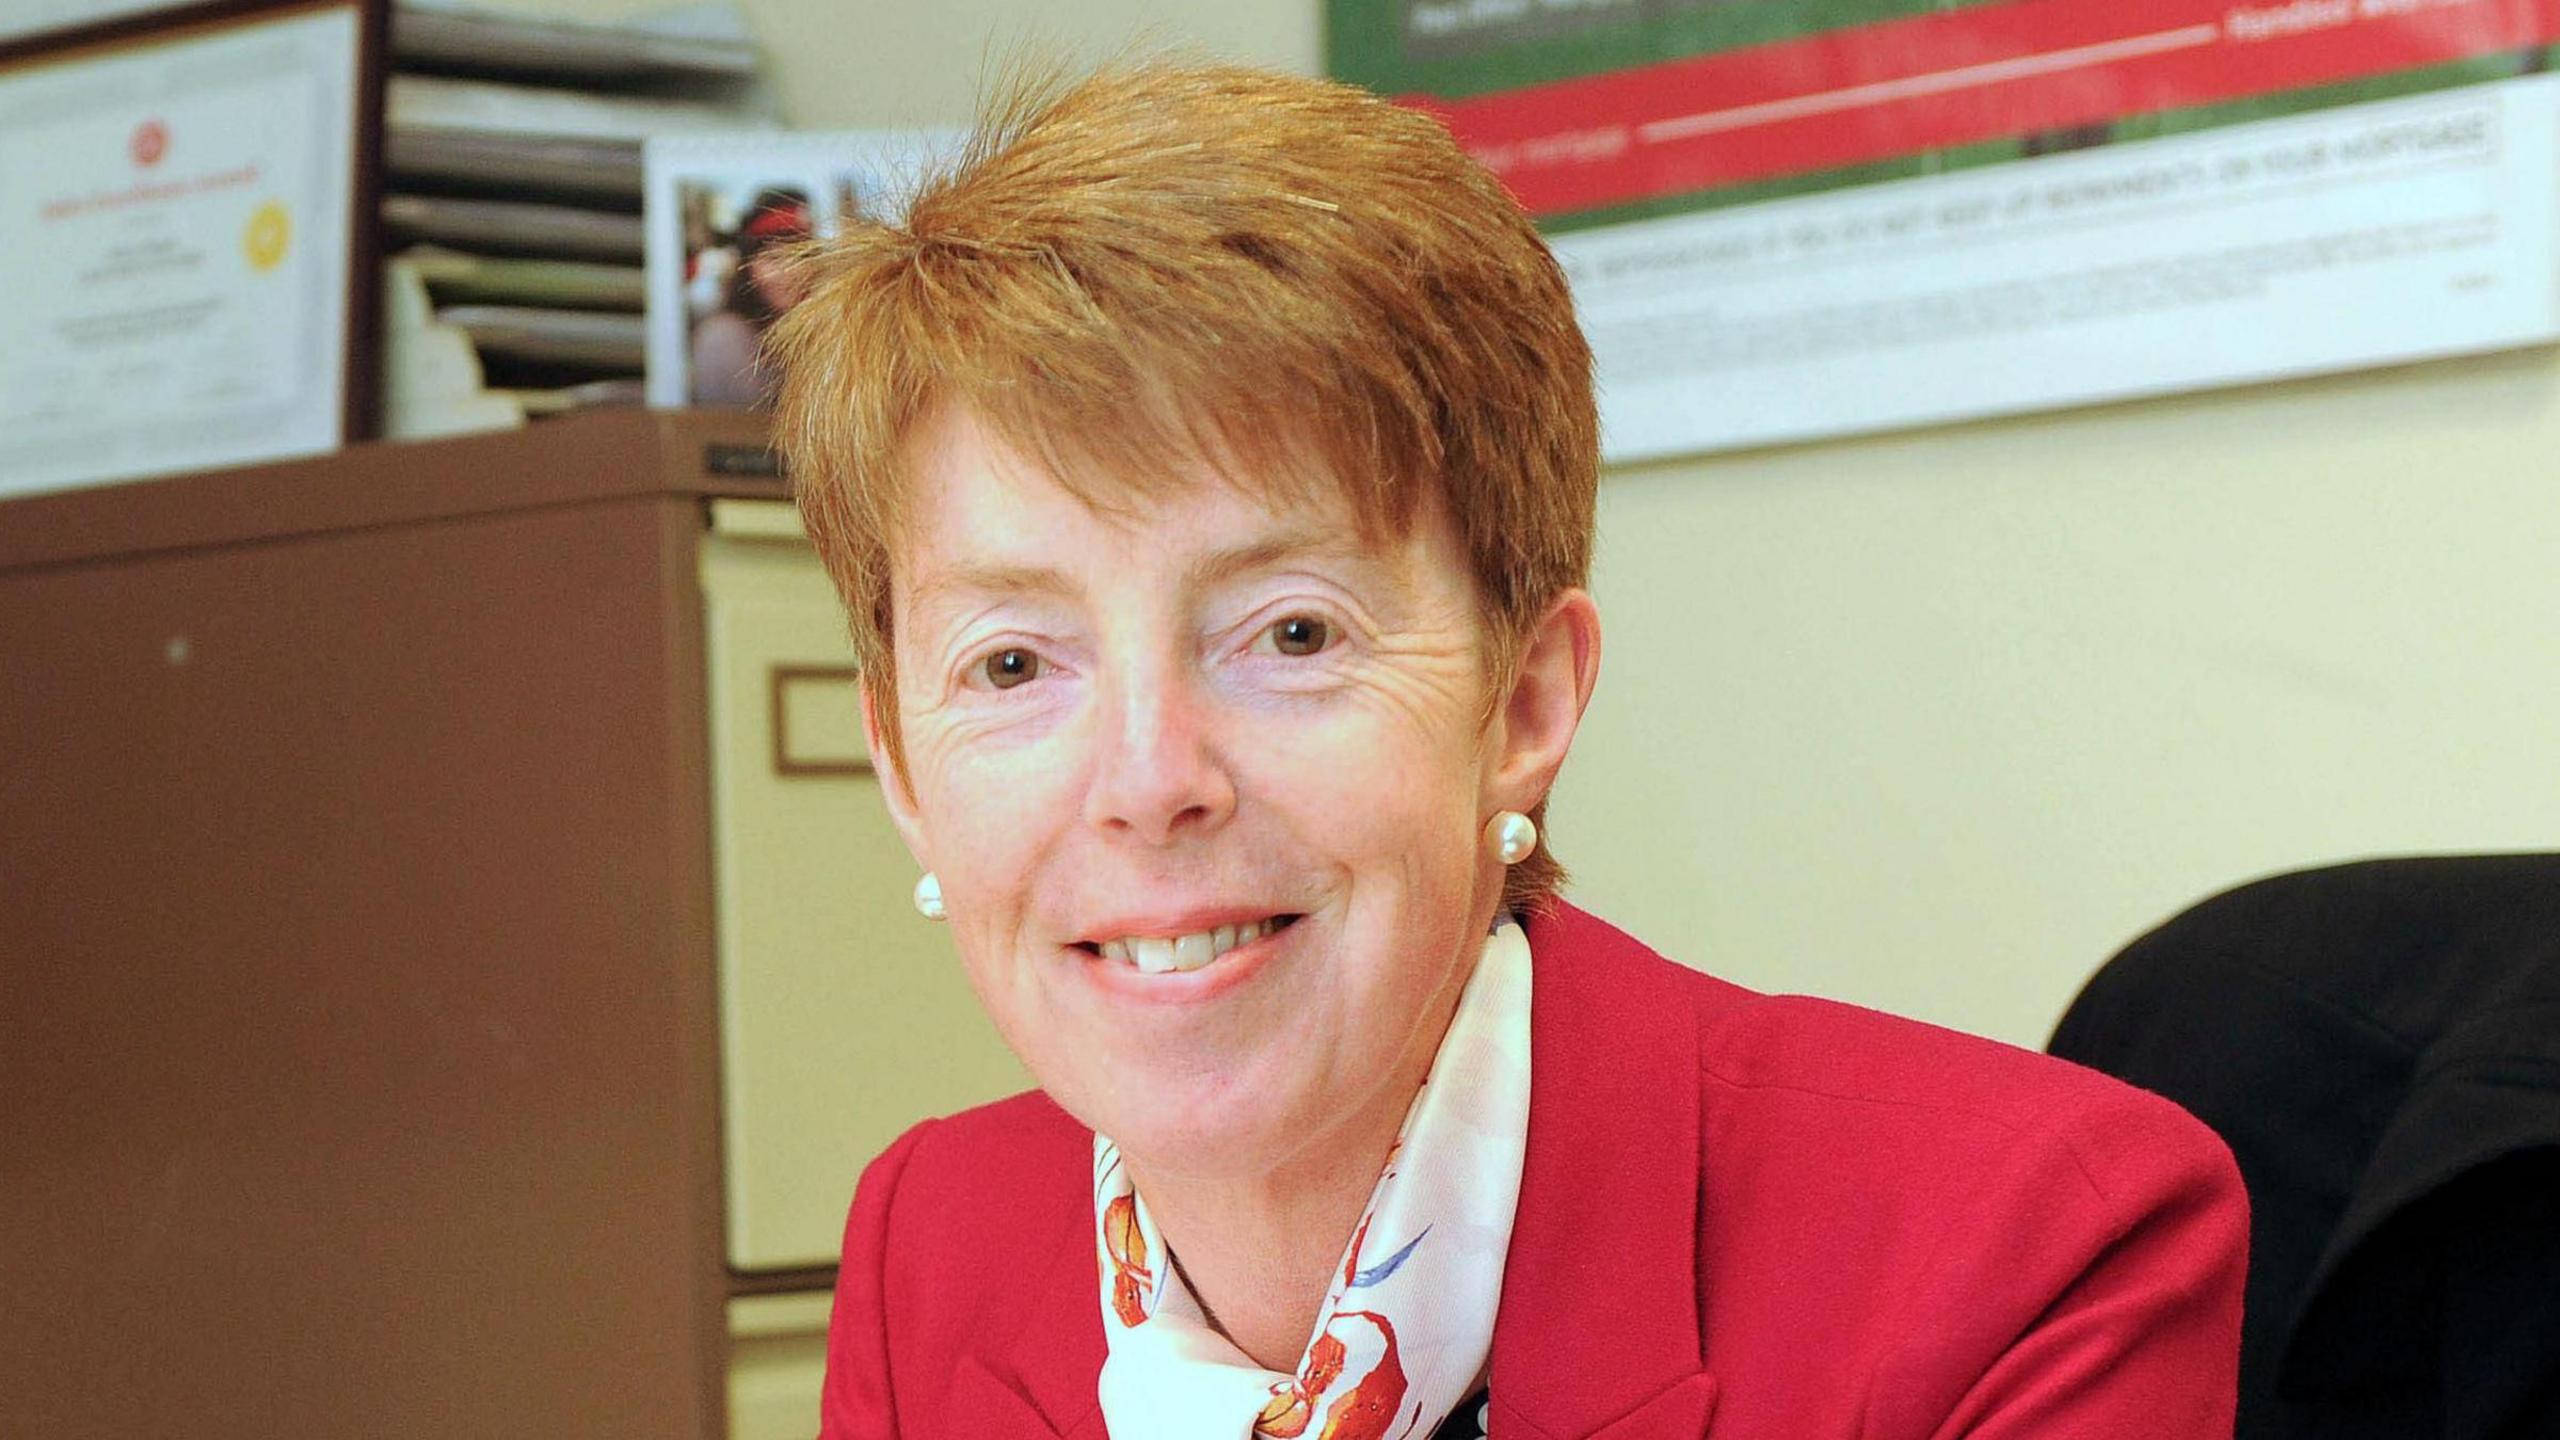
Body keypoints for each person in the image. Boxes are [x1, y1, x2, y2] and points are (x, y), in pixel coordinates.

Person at [764, 61, 2249, 1440]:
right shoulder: (932, 1241)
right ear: (900, 763)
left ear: (1525, 705)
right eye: (1015, 663)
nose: (1150, 780)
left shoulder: (2025, 1249)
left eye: (1291, 636)